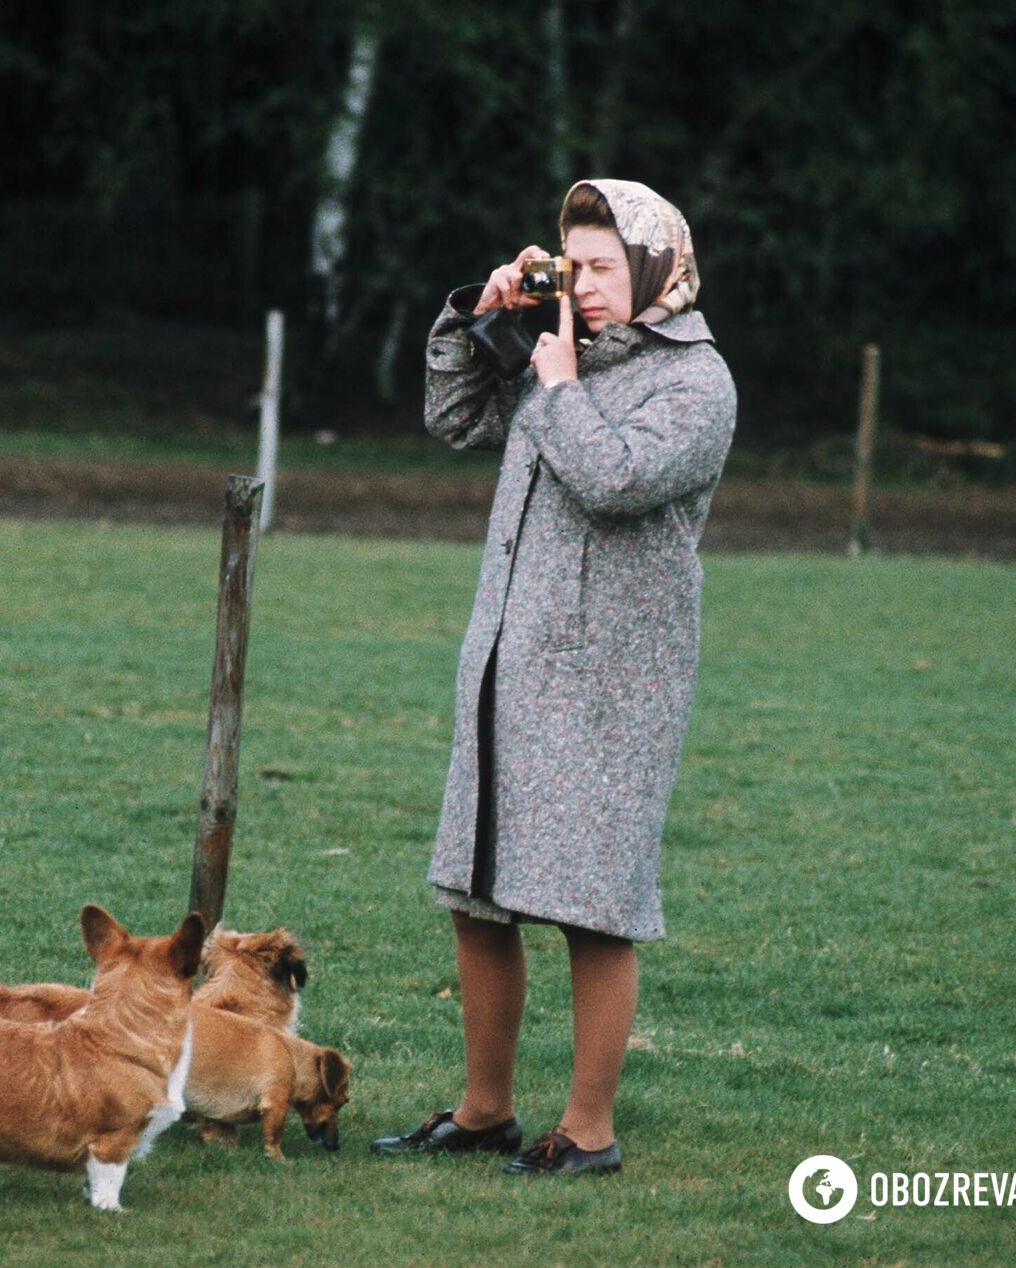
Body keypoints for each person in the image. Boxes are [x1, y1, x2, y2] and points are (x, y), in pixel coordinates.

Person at [370, 179, 736, 1177]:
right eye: (574, 268)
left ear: (660, 267)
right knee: (478, 892)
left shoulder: (694, 384)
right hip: (507, 660)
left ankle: (587, 1131)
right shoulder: (551, 349)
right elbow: (451, 419)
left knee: (590, 904)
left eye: (607, 267)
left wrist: (561, 377)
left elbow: (612, 479)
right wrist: (478, 320)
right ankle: (483, 1108)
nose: (588, 286)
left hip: (612, 683)